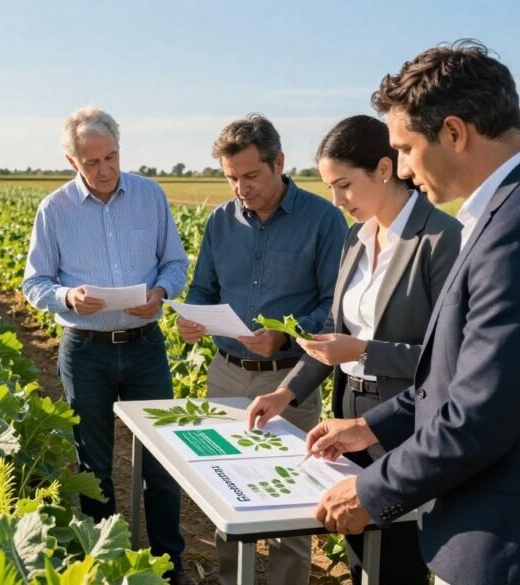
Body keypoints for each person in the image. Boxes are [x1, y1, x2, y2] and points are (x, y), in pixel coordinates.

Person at [306, 40, 520, 585]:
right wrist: (369, 426)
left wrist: (371, 490)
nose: (405, 171)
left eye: (406, 149)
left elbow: (480, 417)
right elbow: (462, 375)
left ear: (455, 133)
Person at [245, 114, 461, 584]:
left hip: (406, 426)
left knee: (399, 563)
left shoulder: (441, 240)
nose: (337, 200)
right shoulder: (355, 238)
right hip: (347, 419)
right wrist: (287, 392)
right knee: (360, 551)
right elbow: (331, 331)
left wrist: (364, 351)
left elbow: (449, 357)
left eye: (344, 185)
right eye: (329, 187)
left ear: (384, 169)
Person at [22, 106, 192, 584]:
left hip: (144, 346)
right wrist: (66, 297)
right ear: (72, 161)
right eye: (91, 162)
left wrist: (161, 293)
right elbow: (34, 282)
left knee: (160, 457)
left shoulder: (150, 197)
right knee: (94, 465)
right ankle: (102, 563)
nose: (104, 170)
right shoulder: (54, 210)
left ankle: (169, 563)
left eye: (111, 157)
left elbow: (174, 264)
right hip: (85, 349)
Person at [177, 114, 348, 585]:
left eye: (251, 176)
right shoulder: (220, 221)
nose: (241, 189)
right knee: (226, 489)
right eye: (232, 178)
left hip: (289, 379)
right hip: (226, 373)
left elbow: (334, 305)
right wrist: (190, 319)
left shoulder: (323, 220)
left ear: (279, 163)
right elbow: (203, 288)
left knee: (290, 497)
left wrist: (285, 337)